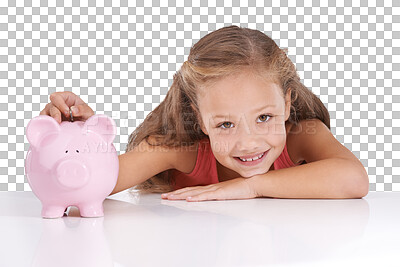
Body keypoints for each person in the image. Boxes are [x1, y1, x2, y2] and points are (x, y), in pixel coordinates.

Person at [40, 25, 369, 201]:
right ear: (198, 118)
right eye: (225, 123)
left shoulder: (302, 137)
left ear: (287, 103)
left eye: (264, 117)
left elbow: (354, 179)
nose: (247, 142)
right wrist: (82, 139)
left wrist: (250, 187)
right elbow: (91, 185)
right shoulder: (180, 149)